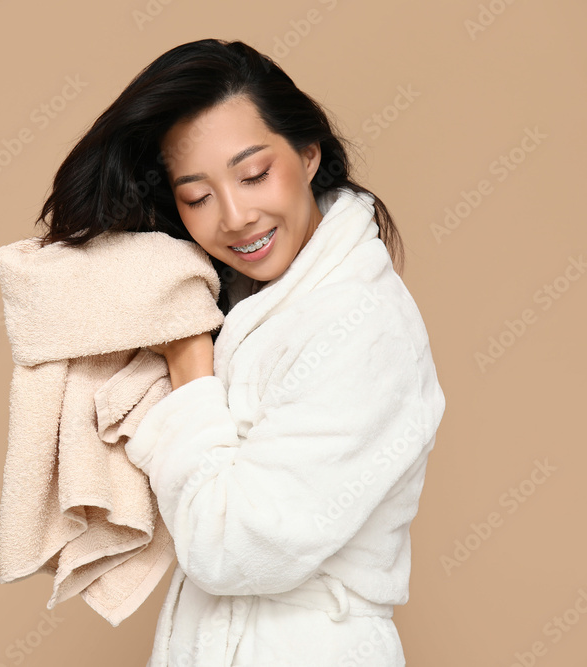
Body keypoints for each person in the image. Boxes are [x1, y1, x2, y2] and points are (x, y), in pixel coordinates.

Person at [33, 38, 446, 667]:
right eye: (197, 197)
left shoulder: (361, 325)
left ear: (309, 154)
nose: (235, 216)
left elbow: (235, 550)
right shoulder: (241, 304)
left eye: (254, 175)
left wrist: (190, 370)